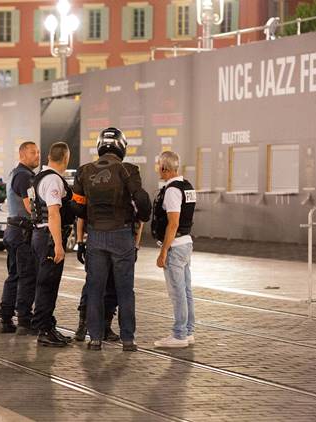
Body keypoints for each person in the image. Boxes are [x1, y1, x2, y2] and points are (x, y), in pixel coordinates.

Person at [71, 127, 150, 352]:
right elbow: (141, 199)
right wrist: (142, 217)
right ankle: (128, 340)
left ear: (100, 146)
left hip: (96, 236)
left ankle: (94, 338)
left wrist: (83, 235)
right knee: (125, 290)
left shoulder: (84, 171)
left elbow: (76, 205)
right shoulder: (128, 170)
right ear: (122, 146)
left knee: (95, 289)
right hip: (122, 235)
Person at [30, 142, 76, 347]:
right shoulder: (53, 180)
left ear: (49, 156)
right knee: (48, 285)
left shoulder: (39, 176)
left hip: (40, 234)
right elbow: (53, 213)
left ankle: (47, 324)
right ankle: (44, 330)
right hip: (49, 236)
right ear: (66, 158)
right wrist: (58, 244)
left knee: (45, 283)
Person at [152, 151, 196, 349]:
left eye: (157, 165)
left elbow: (173, 223)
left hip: (176, 247)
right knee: (186, 291)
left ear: (164, 168)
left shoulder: (171, 190)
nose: (156, 168)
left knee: (177, 292)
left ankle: (179, 335)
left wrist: (164, 252)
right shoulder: (187, 186)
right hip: (186, 243)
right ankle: (188, 331)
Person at [0, 141, 40, 335]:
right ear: (22, 154)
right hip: (23, 233)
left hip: (13, 230)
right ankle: (24, 319)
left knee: (14, 275)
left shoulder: (15, 173)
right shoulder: (25, 176)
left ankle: (6, 318)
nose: (37, 155)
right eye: (33, 152)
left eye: (38, 152)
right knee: (26, 276)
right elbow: (31, 206)